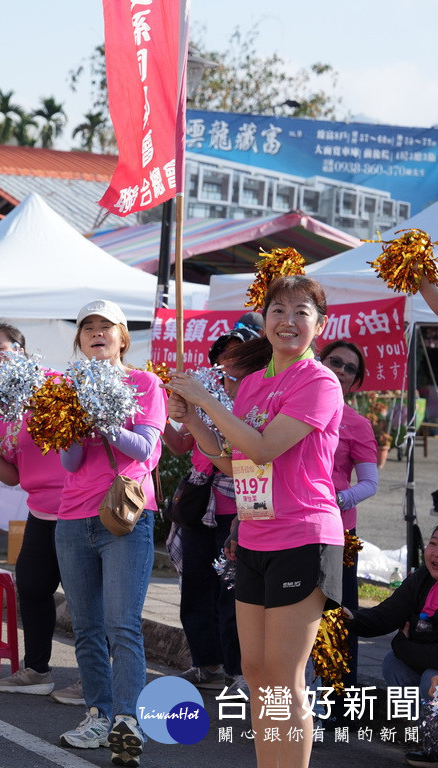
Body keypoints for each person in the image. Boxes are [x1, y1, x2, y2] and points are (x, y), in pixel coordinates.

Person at [166, 275, 344, 768]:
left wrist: (206, 401)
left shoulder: (319, 382)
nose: (288, 321)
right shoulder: (251, 386)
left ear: (319, 325)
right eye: (278, 311)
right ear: (264, 321)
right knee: (258, 672)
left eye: (301, 312)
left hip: (303, 535)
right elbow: (236, 463)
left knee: (285, 677)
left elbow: (264, 448)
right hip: (255, 537)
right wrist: (193, 418)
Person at [54, 300, 166, 766]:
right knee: (86, 626)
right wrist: (69, 424)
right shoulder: (68, 387)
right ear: (80, 340)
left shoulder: (144, 383)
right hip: (72, 517)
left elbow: (145, 449)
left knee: (122, 624)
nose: (97, 333)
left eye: (107, 326)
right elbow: (70, 462)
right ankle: (97, 715)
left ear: (123, 337)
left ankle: (127, 721)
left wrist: (103, 418)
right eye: (88, 328)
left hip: (124, 516)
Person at [0, 322, 72, 697]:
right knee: (31, 587)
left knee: (85, 598)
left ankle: (97, 679)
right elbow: (11, 475)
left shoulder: (57, 384)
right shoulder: (2, 407)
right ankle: (37, 671)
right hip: (40, 511)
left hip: (79, 509)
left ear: (23, 353)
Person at [162, 327, 258, 698]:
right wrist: (162, 410)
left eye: (239, 356)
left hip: (240, 505)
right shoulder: (206, 396)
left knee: (231, 591)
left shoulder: (258, 400)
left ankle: (238, 672)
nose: (230, 363)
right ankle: (206, 663)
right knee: (195, 586)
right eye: (223, 357)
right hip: (200, 505)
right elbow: (179, 444)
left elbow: (248, 452)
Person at [345, 525, 438, 768]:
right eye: (433, 544)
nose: (436, 553)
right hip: (423, 656)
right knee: (393, 665)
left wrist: (401, 644)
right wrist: (350, 618)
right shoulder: (422, 579)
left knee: (431, 678)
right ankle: (428, 739)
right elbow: (386, 615)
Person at [318, 338, 379, 690]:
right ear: (319, 362)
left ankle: (340, 700)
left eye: (350, 369)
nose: (341, 370)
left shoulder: (356, 423)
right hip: (290, 528)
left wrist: (336, 499)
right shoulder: (290, 408)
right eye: (335, 362)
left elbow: (370, 483)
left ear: (355, 382)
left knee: (336, 617)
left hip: (338, 533)